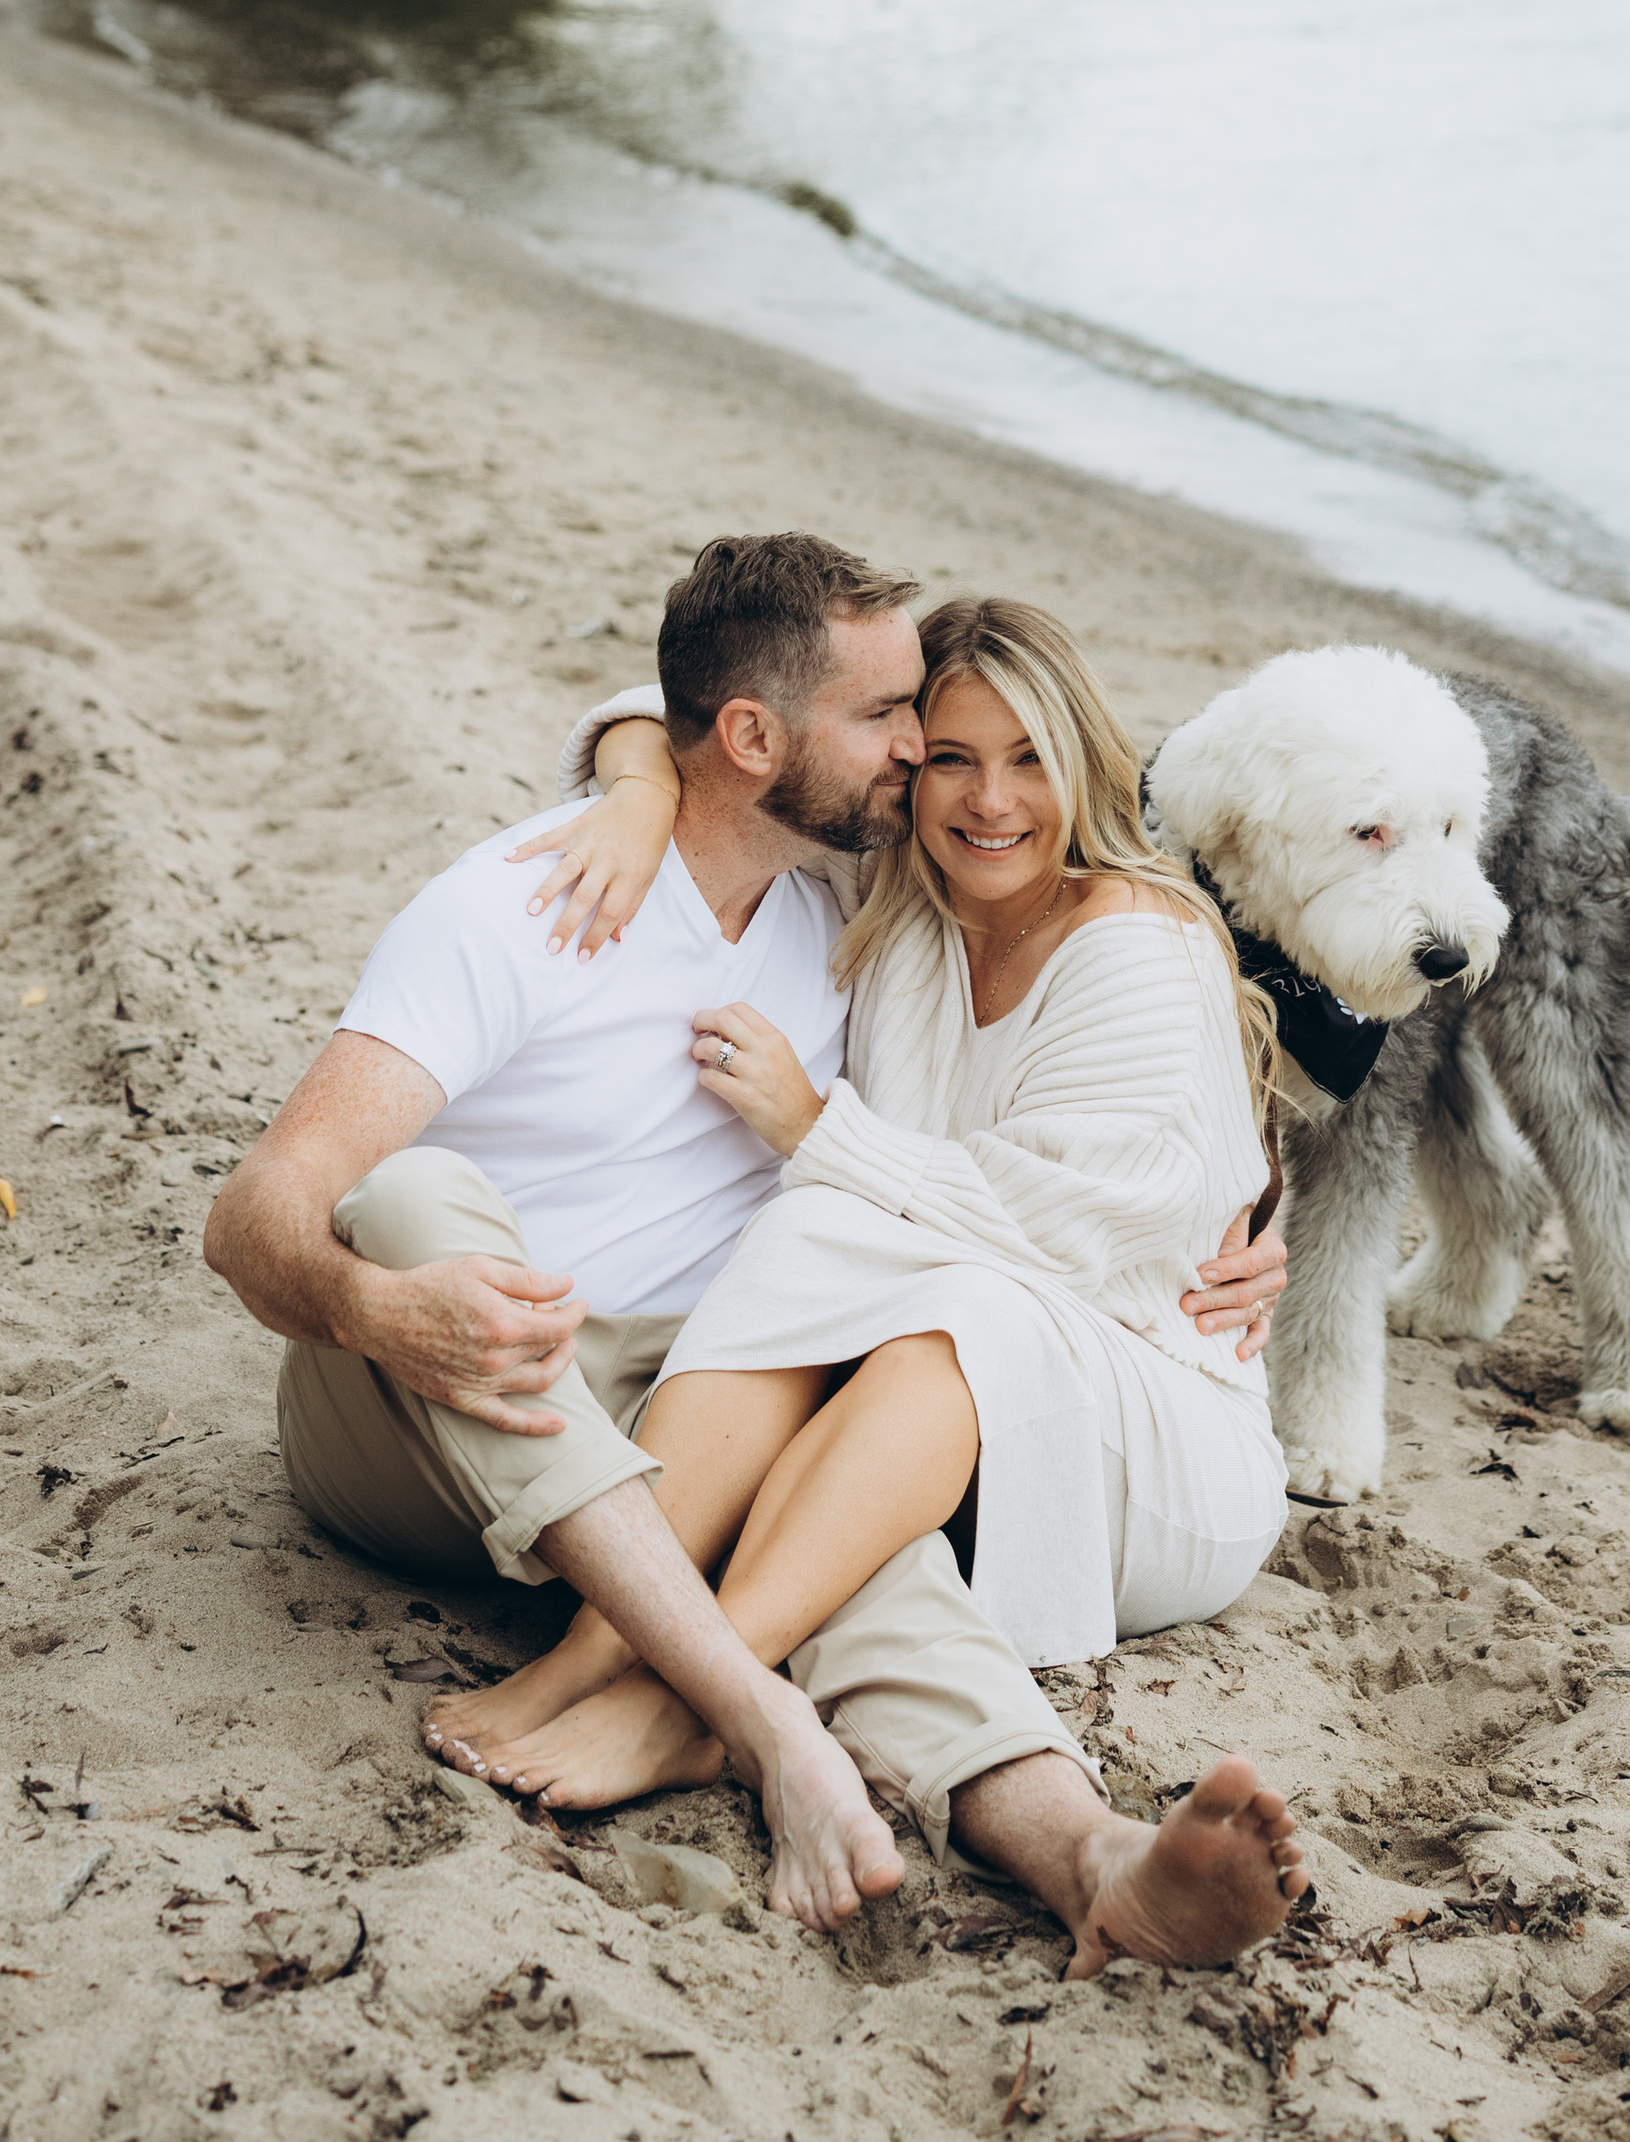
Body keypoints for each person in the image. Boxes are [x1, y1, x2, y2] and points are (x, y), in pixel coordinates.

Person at [202, 534, 1304, 1969]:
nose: (930, 768)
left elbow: (1096, 1171)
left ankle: (1084, 1851)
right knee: (415, 1202)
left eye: (984, 744)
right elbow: (253, 1211)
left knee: (869, 1540)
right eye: (902, 731)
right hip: (449, 1394)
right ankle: (730, 1699)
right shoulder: (568, 898)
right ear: (749, 743)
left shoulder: (839, 893)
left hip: (728, 1393)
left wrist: (1238, 1213)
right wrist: (384, 1311)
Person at [441, 595, 1293, 1829]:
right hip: (924, 1373)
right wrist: (634, 794)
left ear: (1083, 768)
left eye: (1027, 761)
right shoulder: (897, 886)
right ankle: (600, 1648)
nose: (989, 802)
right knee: (841, 1250)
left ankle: (688, 1699)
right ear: (904, 766)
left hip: (1152, 1428)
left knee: (900, 1273)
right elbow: (680, 720)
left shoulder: (1136, 945)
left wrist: (811, 1129)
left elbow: (1050, 1236)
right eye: (951, 757)